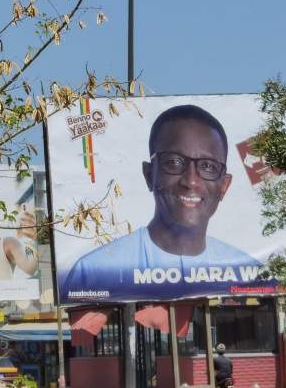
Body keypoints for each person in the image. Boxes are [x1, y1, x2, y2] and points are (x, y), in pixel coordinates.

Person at [60, 105, 265, 300]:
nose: (191, 181)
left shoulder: (252, 274)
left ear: (224, 186)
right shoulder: (94, 271)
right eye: (174, 162)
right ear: (149, 175)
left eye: (208, 166)